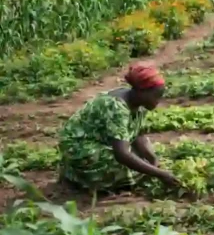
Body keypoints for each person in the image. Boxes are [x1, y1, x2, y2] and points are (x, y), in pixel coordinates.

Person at [58, 62, 181, 192]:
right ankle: (76, 176)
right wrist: (160, 174)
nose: (158, 101)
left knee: (142, 161)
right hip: (79, 146)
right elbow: (122, 155)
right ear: (142, 91)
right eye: (156, 96)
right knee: (123, 167)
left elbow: (139, 134)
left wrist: (153, 160)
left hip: (102, 141)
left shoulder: (138, 103)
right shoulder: (116, 107)